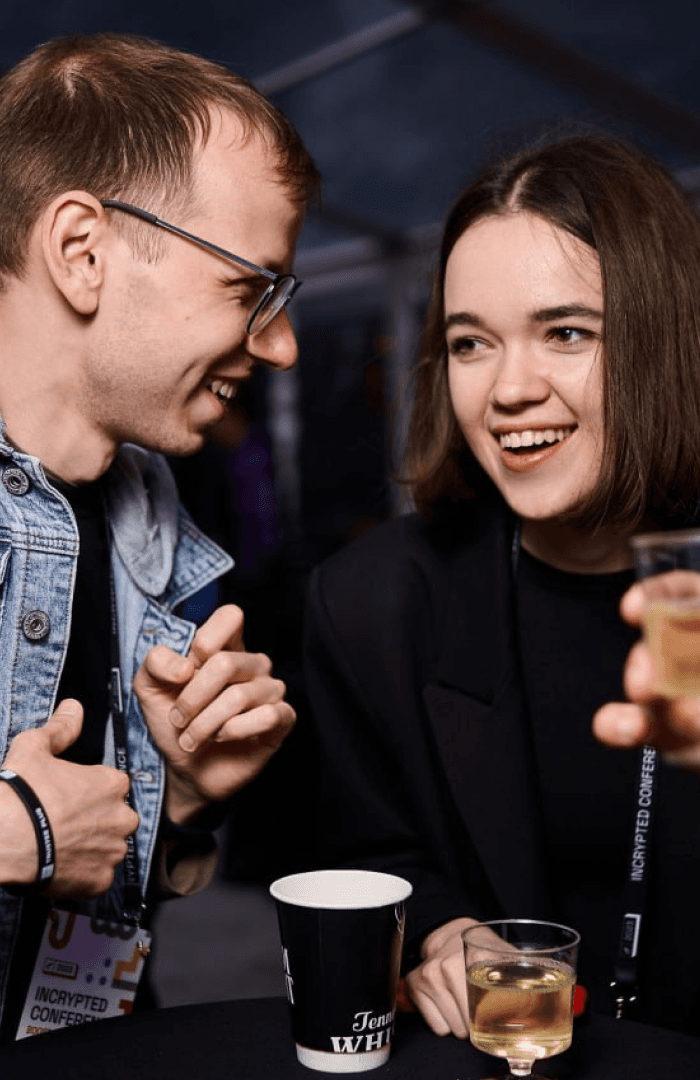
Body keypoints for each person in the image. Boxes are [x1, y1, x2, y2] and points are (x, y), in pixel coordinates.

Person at [303, 131, 700, 1037]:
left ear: (663, 339)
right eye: (471, 343)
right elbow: (371, 850)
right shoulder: (373, 606)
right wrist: (438, 931)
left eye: (566, 333)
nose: (509, 389)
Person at [0, 32, 319, 1036]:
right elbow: (42, 841)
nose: (281, 344)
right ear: (84, 252)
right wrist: (20, 834)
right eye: (247, 288)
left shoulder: (149, 508)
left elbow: (98, 897)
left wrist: (175, 799)